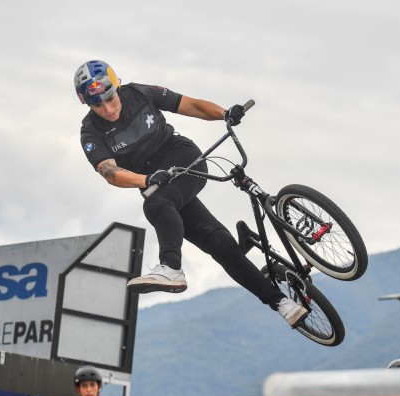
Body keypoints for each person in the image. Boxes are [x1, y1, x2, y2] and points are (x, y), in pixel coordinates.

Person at [74, 59, 308, 327]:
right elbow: (110, 173)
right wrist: (146, 179)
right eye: (98, 105)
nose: (108, 108)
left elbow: (191, 105)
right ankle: (283, 304)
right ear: (87, 104)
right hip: (157, 183)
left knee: (155, 203)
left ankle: (171, 267)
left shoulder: (140, 93)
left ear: (116, 87)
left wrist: (224, 113)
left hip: (180, 157)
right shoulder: (90, 132)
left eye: (110, 99)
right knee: (219, 244)